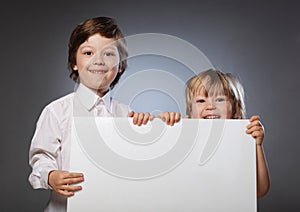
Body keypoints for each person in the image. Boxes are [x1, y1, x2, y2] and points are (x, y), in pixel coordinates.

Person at [28, 16, 154, 212]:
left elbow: (136, 163)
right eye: (88, 52)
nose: (98, 61)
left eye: (109, 54)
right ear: (75, 63)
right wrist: (51, 176)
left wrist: (149, 128)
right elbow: (41, 158)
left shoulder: (127, 114)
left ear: (120, 66)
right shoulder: (56, 111)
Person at [159, 68, 270, 198]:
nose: (210, 106)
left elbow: (259, 190)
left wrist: (257, 146)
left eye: (219, 100)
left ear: (235, 111)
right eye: (201, 101)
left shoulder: (242, 140)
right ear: (189, 114)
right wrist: (165, 127)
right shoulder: (183, 138)